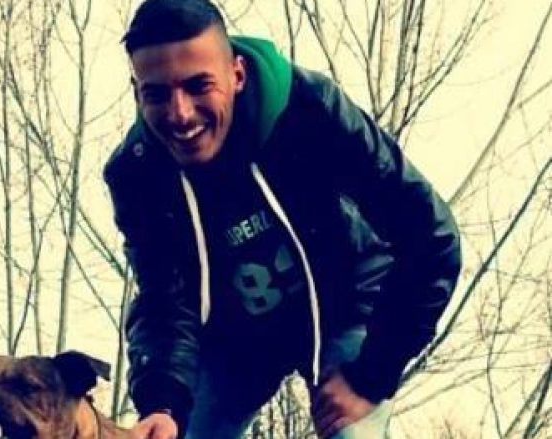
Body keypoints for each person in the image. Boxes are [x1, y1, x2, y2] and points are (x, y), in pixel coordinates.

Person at [102, 1, 462, 438]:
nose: (180, 113)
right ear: (136, 90)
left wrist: (371, 376)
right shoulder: (136, 173)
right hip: (233, 339)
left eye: (199, 85)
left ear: (237, 75)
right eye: (157, 94)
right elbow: (165, 300)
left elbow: (429, 235)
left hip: (346, 303)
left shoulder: (311, 111)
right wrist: (161, 401)